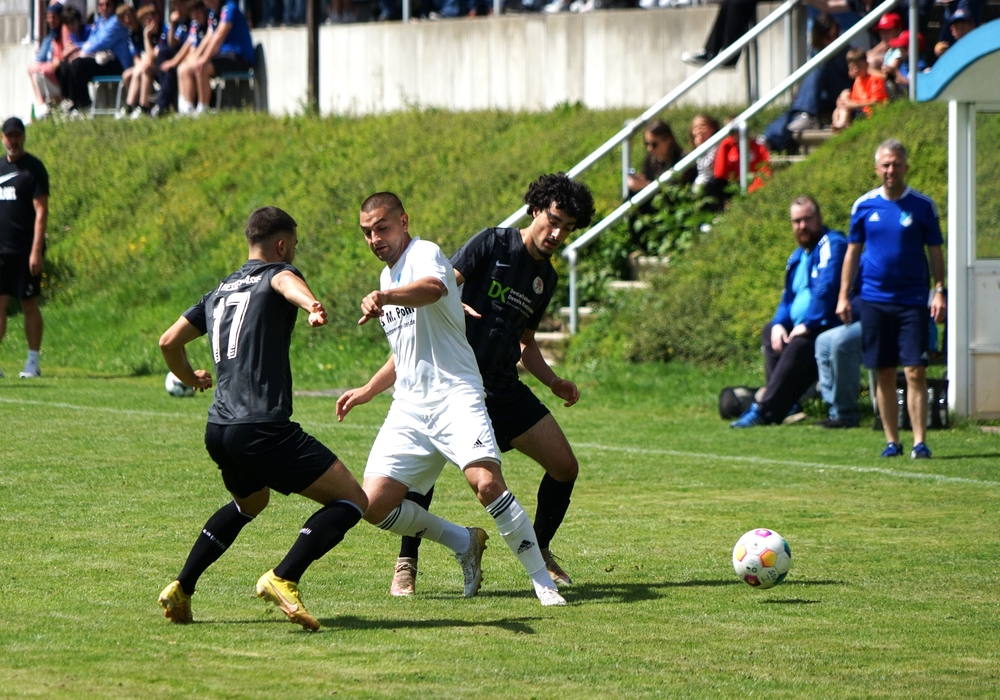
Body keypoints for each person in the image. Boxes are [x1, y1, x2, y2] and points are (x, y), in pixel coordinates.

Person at [335, 192, 567, 607]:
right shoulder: (388, 279)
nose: (374, 239)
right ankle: (464, 541)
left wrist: (386, 298)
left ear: (403, 222)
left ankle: (541, 581)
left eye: (382, 228)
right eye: (367, 232)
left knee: (486, 484)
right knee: (373, 505)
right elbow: (407, 351)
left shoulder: (424, 254)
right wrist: (368, 390)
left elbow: (433, 287)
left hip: (455, 396)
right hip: (409, 408)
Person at [156, 206, 368, 630]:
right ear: (282, 245)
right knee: (352, 502)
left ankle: (182, 587)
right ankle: (283, 576)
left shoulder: (219, 290)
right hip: (261, 427)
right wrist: (311, 304)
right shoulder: (277, 272)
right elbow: (286, 282)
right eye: (294, 247)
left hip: (219, 429)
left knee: (250, 503)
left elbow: (168, 341)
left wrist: (191, 378)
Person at [387, 174, 594, 598]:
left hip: (501, 387)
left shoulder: (546, 278)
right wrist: (451, 303)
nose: (557, 234)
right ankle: (406, 563)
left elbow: (526, 343)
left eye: (568, 228)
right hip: (454, 381)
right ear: (535, 209)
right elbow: (440, 284)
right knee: (423, 476)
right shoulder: (492, 243)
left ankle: (540, 548)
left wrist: (554, 381)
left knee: (564, 467)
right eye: (554, 220)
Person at [837, 139, 945, 459]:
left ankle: (919, 442)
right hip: (874, 300)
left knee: (915, 370)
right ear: (876, 169)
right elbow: (852, 253)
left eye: (896, 164)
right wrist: (843, 295)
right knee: (883, 371)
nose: (891, 170)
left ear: (906, 167)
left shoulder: (923, 206)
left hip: (912, 300)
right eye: (885, 164)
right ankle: (892, 441)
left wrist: (939, 290)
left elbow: (935, 251)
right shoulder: (864, 206)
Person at [731, 195, 847, 428]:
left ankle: (765, 410)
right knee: (770, 332)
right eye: (797, 221)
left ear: (819, 218)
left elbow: (826, 288)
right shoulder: (796, 257)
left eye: (808, 219)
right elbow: (787, 299)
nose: (802, 226)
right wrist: (778, 324)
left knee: (800, 344)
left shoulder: (832, 244)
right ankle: (787, 404)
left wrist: (808, 324)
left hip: (827, 324)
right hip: (804, 326)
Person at [0, 118, 49, 381]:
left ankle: (33, 361)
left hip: (25, 251)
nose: (13, 141)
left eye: (17, 136)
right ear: (2, 138)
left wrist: (36, 251)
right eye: (9, 136)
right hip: (1, 251)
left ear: (24, 137)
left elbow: (41, 212)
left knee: (29, 303)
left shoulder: (34, 169)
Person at [764, 14, 853, 150]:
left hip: (844, 90)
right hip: (825, 96)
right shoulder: (815, 50)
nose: (833, 40)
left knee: (819, 66)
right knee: (795, 113)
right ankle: (769, 137)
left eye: (835, 35)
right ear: (819, 36)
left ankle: (806, 114)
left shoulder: (844, 49)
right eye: (828, 37)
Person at [178, 0, 255, 116]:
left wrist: (204, 58)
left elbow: (219, 35)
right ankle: (186, 109)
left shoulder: (229, 8)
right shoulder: (212, 13)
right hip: (225, 55)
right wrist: (195, 57)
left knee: (202, 67)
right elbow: (208, 37)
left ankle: (203, 110)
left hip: (240, 57)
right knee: (186, 68)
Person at [63, 0, 133, 113]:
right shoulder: (100, 21)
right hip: (103, 59)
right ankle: (73, 101)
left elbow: (101, 43)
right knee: (66, 64)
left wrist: (78, 51)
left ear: (114, 6)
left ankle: (84, 103)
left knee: (77, 63)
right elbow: (91, 41)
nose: (104, 7)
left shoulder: (116, 22)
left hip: (117, 63)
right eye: (101, 5)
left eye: (108, 4)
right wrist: (77, 48)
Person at [830, 47, 889, 133]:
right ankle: (837, 125)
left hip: (869, 112)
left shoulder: (875, 80)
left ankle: (841, 124)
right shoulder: (857, 80)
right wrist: (842, 102)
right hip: (858, 110)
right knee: (844, 96)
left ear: (867, 64)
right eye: (852, 68)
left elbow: (877, 102)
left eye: (858, 66)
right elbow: (853, 101)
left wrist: (852, 105)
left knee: (845, 106)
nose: (856, 70)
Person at [27, 3, 65, 119]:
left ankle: (54, 104)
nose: (51, 20)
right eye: (48, 17)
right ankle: (41, 104)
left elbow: (61, 56)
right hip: (49, 68)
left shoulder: (63, 32)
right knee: (35, 71)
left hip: (61, 71)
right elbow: (40, 57)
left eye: (54, 17)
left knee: (43, 72)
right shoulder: (50, 36)